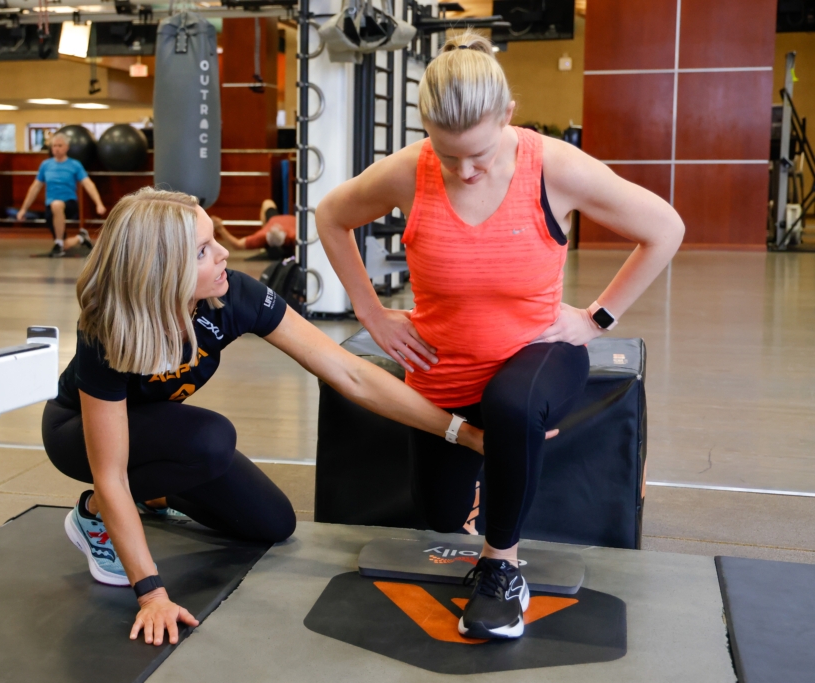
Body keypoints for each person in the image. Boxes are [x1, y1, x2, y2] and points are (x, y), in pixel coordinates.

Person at [316, 33, 684, 641]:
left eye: (479, 154)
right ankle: (486, 518)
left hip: (537, 354)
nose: (464, 171)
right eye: (447, 153)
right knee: (437, 520)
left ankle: (502, 569)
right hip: (443, 365)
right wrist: (370, 311)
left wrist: (596, 319)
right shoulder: (411, 170)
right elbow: (331, 216)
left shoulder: (553, 166)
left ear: (508, 116)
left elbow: (664, 228)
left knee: (513, 405)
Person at [41, 187, 491, 647]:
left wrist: (460, 431)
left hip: (163, 435)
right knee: (210, 438)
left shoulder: (233, 296)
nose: (222, 255)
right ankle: (92, 516)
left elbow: (349, 372)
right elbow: (111, 472)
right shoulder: (109, 327)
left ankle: (153, 495)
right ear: (161, 270)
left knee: (273, 524)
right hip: (78, 436)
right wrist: (151, 593)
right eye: (202, 250)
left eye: (214, 239)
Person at [17, 132, 107, 257]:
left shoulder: (75, 165)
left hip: (69, 204)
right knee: (64, 243)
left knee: (57, 204)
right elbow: (35, 187)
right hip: (50, 207)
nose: (56, 148)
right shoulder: (46, 165)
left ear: (67, 147)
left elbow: (88, 184)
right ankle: (80, 238)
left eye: (60, 145)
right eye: (54, 146)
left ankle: (59, 242)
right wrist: (23, 209)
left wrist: (99, 204)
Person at [212, 199, 296, 257]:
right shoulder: (263, 235)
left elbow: (237, 244)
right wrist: (220, 228)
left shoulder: (294, 235)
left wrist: (220, 228)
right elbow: (237, 244)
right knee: (267, 202)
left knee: (267, 202)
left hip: (290, 222)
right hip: (275, 220)